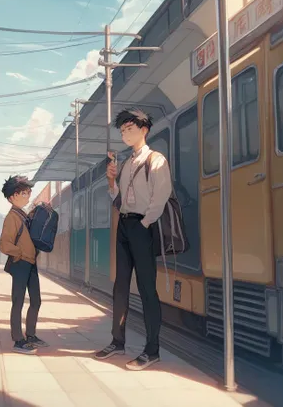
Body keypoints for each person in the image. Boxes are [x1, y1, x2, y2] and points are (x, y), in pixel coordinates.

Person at [94, 108, 172, 371]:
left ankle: (152, 350)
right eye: (123, 130)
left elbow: (161, 195)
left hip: (141, 226)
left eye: (130, 129)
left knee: (147, 289)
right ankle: (118, 342)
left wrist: (145, 222)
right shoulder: (127, 163)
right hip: (125, 226)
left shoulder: (156, 159)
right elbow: (119, 200)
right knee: (120, 286)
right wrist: (111, 182)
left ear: (144, 130)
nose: (125, 134)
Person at [0, 175, 49, 354]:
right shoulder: (11, 218)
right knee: (18, 301)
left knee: (36, 300)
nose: (27, 195)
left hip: (30, 263)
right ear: (12, 197)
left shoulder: (23, 215)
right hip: (20, 263)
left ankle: (31, 334)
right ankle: (18, 340)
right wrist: (19, 253)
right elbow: (4, 245)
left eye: (28, 192)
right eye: (23, 192)